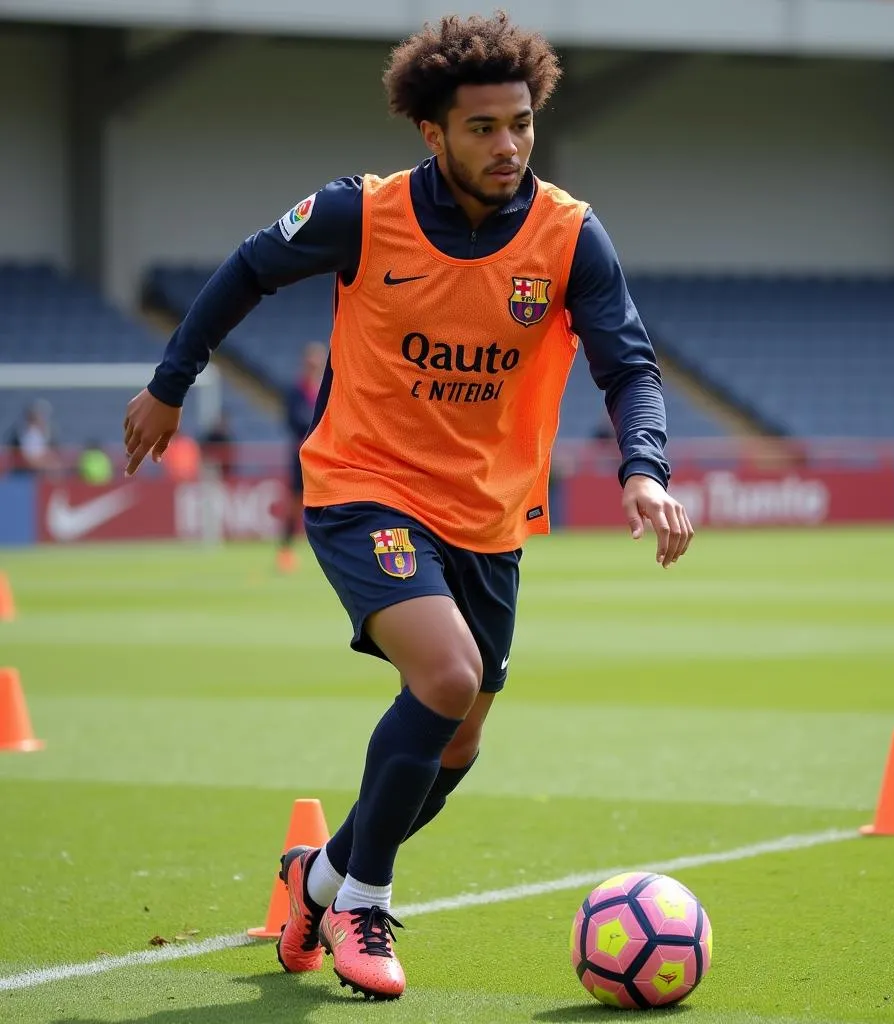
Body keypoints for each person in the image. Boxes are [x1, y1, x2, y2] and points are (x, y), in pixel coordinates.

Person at [122, 10, 693, 1001]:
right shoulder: (362, 214)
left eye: (520, 123)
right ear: (432, 133)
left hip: (490, 518)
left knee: (460, 736)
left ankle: (321, 875)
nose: (508, 144)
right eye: (483, 127)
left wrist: (644, 467)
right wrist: (171, 382)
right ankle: (366, 903)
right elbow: (250, 267)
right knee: (445, 673)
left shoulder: (568, 234)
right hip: (362, 486)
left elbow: (627, 365)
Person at [278, 342, 328, 572]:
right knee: (295, 503)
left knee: (332, 502)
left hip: (327, 455)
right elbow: (293, 420)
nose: (314, 364)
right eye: (311, 359)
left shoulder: (328, 388)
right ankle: (286, 551)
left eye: (317, 360)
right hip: (302, 454)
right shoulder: (295, 391)